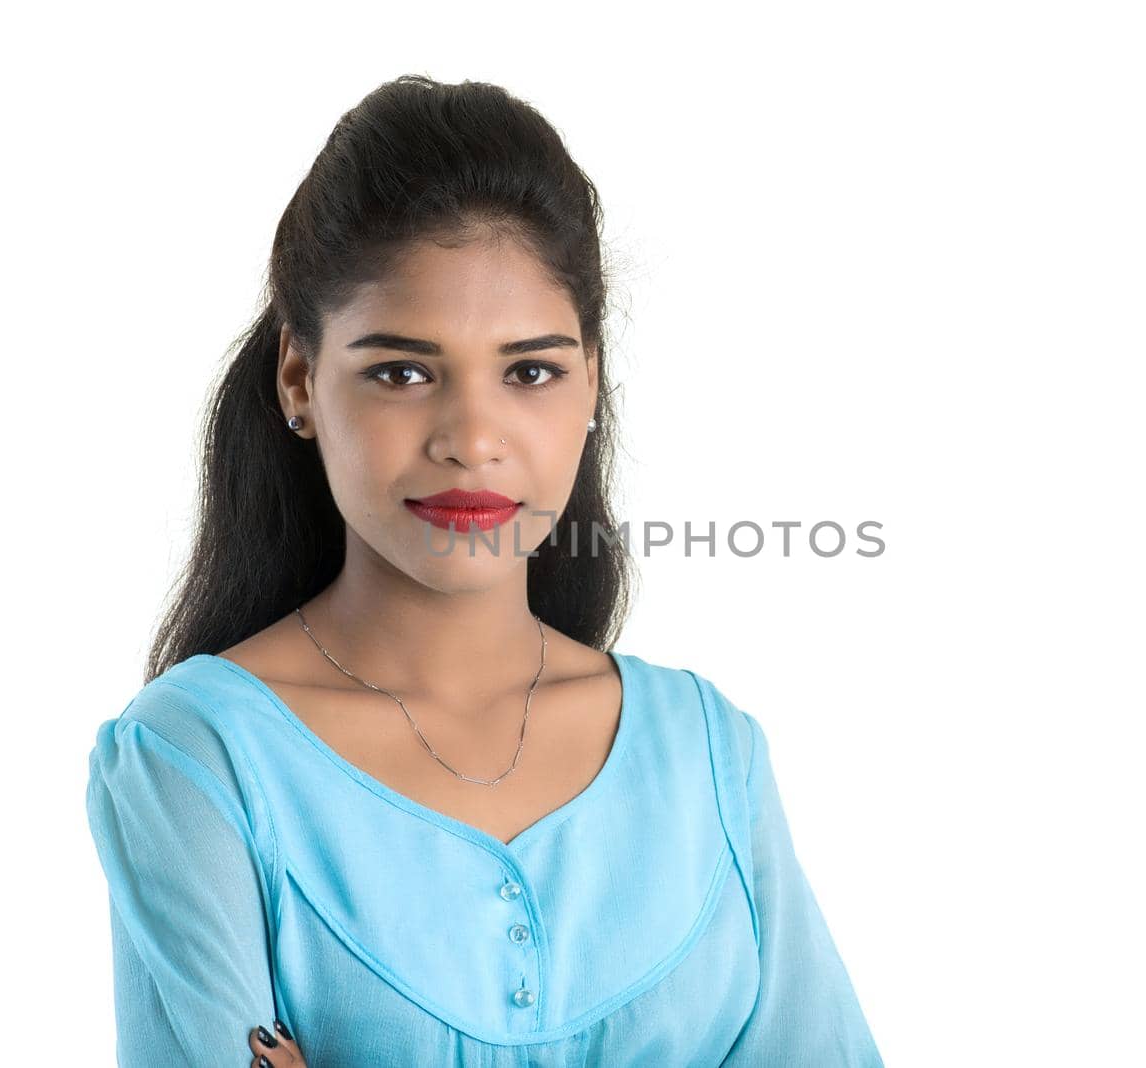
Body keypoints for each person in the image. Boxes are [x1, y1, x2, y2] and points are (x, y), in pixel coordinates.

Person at [84, 73, 883, 1067]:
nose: (472, 438)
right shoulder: (200, 760)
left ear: (590, 382)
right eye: (402, 372)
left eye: (530, 371)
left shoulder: (709, 756)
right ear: (299, 379)